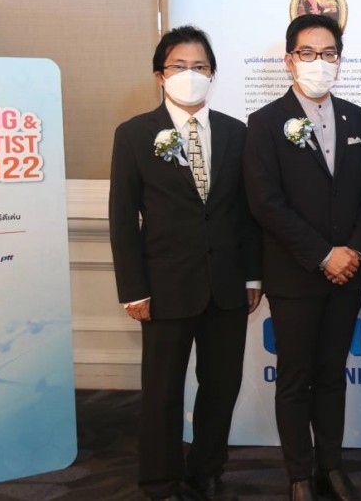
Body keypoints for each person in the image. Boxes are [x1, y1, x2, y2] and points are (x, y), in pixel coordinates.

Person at [109, 25, 262, 501]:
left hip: (227, 285)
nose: (190, 74)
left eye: (199, 66)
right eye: (179, 66)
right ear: (160, 74)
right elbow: (122, 218)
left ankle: (207, 469)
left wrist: (253, 276)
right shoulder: (134, 134)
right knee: (162, 390)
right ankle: (160, 479)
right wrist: (133, 290)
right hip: (164, 286)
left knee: (221, 386)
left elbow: (246, 213)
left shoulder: (237, 133)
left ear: (212, 74)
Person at [243, 14, 361, 501]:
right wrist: (323, 255)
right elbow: (266, 204)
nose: (319, 62)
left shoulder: (357, 119)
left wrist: (354, 250)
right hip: (295, 274)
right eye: (308, 53)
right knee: (296, 378)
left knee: (332, 376)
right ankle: (299, 473)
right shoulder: (264, 123)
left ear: (340, 60)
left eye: (328, 54)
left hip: (348, 273)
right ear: (289, 60)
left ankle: (331, 467)